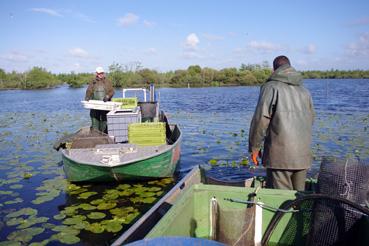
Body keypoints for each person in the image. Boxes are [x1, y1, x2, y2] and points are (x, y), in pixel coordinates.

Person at [248, 55, 315, 191]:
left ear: (274, 70)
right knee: (299, 199)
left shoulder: (270, 87)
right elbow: (311, 119)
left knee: (281, 203)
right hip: (302, 157)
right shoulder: (304, 91)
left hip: (279, 158)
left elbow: (261, 119)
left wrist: (254, 148)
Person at [85, 67, 114, 133]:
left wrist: (107, 96)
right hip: (94, 106)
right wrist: (87, 99)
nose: (100, 74)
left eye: (102, 73)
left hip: (105, 106)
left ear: (103, 73)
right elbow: (89, 91)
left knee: (104, 122)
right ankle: (95, 135)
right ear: (96, 73)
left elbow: (112, 91)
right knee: (94, 121)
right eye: (99, 73)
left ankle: (105, 135)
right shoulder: (92, 82)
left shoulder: (107, 82)